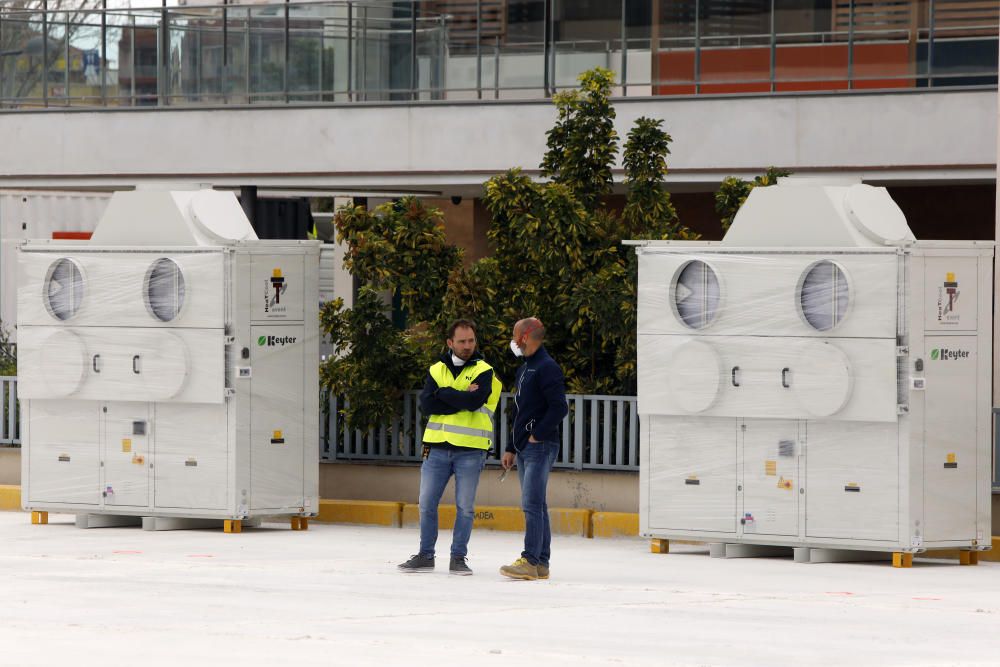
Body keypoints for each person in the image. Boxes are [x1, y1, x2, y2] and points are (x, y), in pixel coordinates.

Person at [398, 319, 501, 576]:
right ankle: (425, 555)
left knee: (465, 507)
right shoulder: (436, 369)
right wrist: (459, 395)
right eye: (462, 341)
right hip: (437, 448)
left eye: (471, 341)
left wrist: (444, 393)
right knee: (426, 504)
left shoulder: (484, 370)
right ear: (450, 343)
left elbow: (476, 399)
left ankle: (458, 558)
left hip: (470, 449)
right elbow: (428, 406)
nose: (468, 346)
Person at [500, 317, 567, 580]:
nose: (513, 341)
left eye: (515, 335)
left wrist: (537, 435)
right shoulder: (526, 368)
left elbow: (559, 407)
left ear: (526, 336)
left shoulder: (546, 367)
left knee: (532, 504)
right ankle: (541, 563)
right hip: (526, 447)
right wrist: (511, 447)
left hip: (539, 446)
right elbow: (520, 411)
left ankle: (530, 560)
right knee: (537, 505)